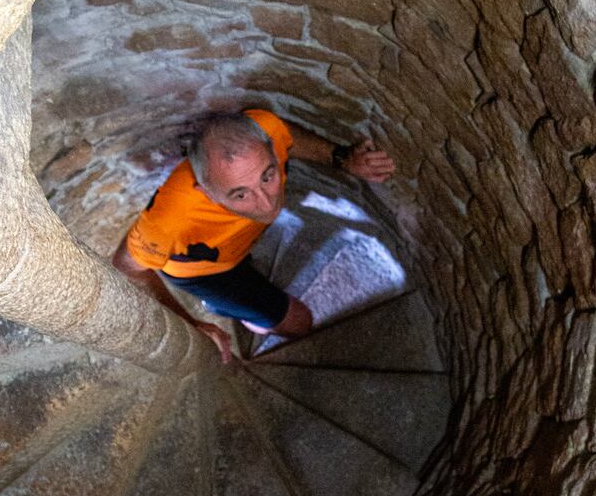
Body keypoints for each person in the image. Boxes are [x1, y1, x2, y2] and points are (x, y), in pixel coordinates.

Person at [112, 109, 395, 362]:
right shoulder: (169, 219)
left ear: (271, 151)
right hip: (203, 272)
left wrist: (343, 159)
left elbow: (286, 134)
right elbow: (127, 265)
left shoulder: (265, 128)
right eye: (240, 194)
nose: (266, 203)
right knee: (299, 322)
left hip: (234, 246)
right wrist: (188, 322)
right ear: (206, 193)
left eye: (267, 176)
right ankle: (231, 310)